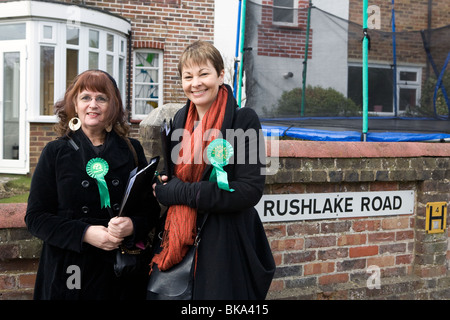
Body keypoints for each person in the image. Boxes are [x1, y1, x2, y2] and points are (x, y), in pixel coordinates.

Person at [150, 40, 275, 299]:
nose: (196, 83)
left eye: (204, 73)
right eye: (188, 76)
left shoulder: (243, 119)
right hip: (182, 238)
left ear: (220, 75)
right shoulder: (178, 121)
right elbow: (174, 178)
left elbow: (249, 191)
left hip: (227, 243)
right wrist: (162, 186)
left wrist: (179, 192)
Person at [25, 70, 160, 300]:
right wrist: (85, 233)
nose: (93, 105)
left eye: (102, 98)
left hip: (120, 271)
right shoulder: (55, 153)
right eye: (85, 97)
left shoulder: (132, 150)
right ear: (74, 105)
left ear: (113, 106)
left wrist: (131, 225)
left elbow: (150, 210)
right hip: (71, 269)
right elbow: (36, 217)